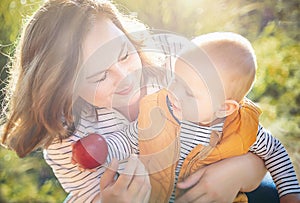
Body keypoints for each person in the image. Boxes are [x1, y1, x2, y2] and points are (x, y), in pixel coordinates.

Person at [0, 0, 276, 202]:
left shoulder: (173, 73)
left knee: (267, 192)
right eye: (99, 76)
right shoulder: (68, 138)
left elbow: (248, 136)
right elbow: (89, 195)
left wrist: (238, 171)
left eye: (124, 54)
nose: (126, 78)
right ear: (65, 89)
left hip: (207, 185)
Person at [135, 32, 300, 202]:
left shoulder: (241, 128)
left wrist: (290, 194)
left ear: (224, 108)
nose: (174, 93)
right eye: (175, 80)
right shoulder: (161, 109)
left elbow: (274, 151)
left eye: (189, 93)